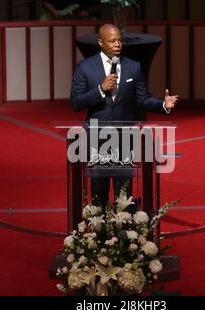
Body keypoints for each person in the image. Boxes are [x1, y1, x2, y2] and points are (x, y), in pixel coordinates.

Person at [70, 24, 179, 208]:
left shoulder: (134, 67)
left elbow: (142, 99)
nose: (117, 44)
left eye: (119, 40)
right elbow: (76, 102)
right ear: (100, 43)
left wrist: (163, 104)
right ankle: (100, 234)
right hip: (98, 138)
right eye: (112, 41)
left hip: (125, 139)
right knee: (98, 192)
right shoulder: (85, 67)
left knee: (124, 195)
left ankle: (123, 233)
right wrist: (100, 89)